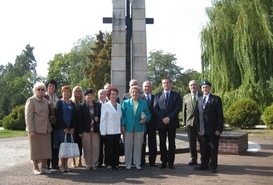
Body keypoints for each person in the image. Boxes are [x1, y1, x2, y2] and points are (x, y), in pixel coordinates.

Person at [194, 80, 224, 173]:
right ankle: (204, 165)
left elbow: (220, 115)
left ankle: (213, 166)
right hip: (202, 130)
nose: (204, 89)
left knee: (213, 148)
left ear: (210, 88)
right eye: (203, 87)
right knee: (203, 149)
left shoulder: (216, 99)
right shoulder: (198, 100)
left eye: (206, 87)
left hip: (213, 130)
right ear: (201, 89)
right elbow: (197, 115)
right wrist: (198, 128)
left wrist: (219, 129)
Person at [154, 77, 182, 169]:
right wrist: (163, 118)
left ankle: (171, 162)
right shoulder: (157, 95)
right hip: (161, 122)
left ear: (170, 84)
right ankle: (163, 161)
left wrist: (169, 118)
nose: (166, 84)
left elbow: (178, 108)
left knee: (171, 142)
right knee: (162, 142)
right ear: (162, 85)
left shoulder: (176, 95)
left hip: (172, 122)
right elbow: (155, 108)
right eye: (164, 83)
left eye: (167, 82)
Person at [25, 82, 52, 175]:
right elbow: (28, 117)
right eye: (38, 89)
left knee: (46, 149)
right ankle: (35, 167)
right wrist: (31, 130)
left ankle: (44, 167)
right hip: (35, 129)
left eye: (42, 89)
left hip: (46, 129)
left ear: (45, 91)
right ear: (35, 91)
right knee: (35, 149)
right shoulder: (31, 100)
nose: (40, 91)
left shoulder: (46, 101)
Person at [121, 85, 151, 170]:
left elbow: (149, 114)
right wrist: (122, 125)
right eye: (133, 92)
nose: (135, 93)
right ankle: (128, 163)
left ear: (139, 93)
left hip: (139, 127)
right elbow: (122, 115)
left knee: (138, 146)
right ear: (130, 93)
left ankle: (137, 163)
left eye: (136, 92)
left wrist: (145, 119)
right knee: (128, 145)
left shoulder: (143, 103)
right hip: (128, 127)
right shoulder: (125, 102)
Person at [54, 85, 77, 173]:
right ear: (62, 93)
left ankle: (66, 165)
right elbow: (58, 116)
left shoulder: (72, 104)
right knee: (63, 147)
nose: (66, 93)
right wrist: (64, 127)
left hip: (70, 129)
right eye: (65, 91)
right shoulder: (59, 103)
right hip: (61, 129)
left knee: (68, 147)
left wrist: (72, 128)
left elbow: (75, 117)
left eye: (68, 92)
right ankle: (61, 165)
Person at [78, 88, 101, 170]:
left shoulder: (97, 105)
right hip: (85, 130)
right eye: (87, 95)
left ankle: (94, 163)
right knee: (86, 147)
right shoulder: (81, 106)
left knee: (95, 147)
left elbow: (102, 116)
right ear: (85, 97)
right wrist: (80, 131)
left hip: (95, 129)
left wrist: (98, 119)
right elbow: (79, 120)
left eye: (91, 95)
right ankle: (88, 164)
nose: (89, 97)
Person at [100, 87, 122, 171]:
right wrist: (103, 132)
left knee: (116, 148)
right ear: (109, 95)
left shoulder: (119, 106)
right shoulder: (105, 106)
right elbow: (103, 119)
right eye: (112, 94)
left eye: (115, 94)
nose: (114, 96)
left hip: (117, 130)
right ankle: (109, 164)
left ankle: (116, 163)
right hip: (109, 131)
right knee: (109, 148)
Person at [182, 80, 202, 165]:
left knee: (202, 142)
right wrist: (184, 122)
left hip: (201, 123)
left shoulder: (202, 95)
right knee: (191, 142)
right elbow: (184, 111)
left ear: (197, 86)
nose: (192, 87)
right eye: (191, 85)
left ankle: (204, 159)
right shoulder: (185, 97)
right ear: (189, 87)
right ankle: (193, 159)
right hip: (190, 123)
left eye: (194, 85)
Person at [44, 79, 61, 170]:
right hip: (47, 124)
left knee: (56, 144)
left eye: (53, 86)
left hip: (57, 124)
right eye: (50, 85)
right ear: (47, 87)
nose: (51, 87)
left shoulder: (58, 97)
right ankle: (47, 163)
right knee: (48, 144)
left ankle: (55, 163)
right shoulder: (44, 96)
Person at [141, 81, 157, 167]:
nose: (147, 88)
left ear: (151, 87)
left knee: (152, 143)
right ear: (143, 88)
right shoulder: (139, 97)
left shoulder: (156, 97)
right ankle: (141, 160)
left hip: (152, 124)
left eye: (148, 86)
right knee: (142, 142)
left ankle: (152, 161)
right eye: (145, 87)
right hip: (141, 124)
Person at [70, 86, 85, 168]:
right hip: (73, 126)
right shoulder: (71, 102)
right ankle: (73, 160)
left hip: (81, 126)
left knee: (80, 144)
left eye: (79, 91)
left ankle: (79, 160)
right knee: (73, 143)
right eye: (76, 91)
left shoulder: (84, 102)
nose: (78, 93)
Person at [97, 89, 108, 168]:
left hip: (108, 128)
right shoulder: (95, 104)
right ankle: (99, 161)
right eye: (100, 94)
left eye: (104, 94)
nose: (102, 96)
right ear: (98, 95)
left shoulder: (109, 104)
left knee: (107, 146)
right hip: (98, 129)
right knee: (99, 146)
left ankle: (107, 161)